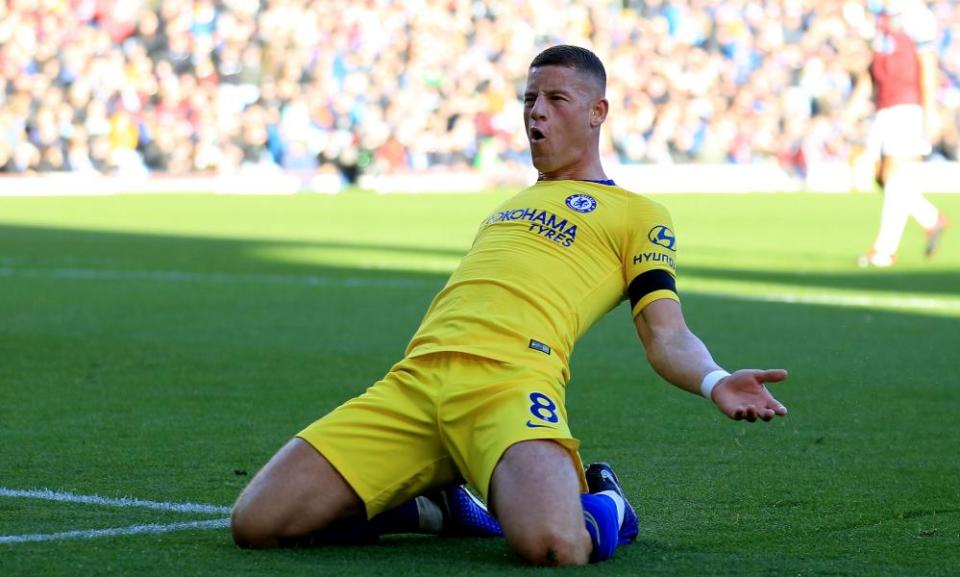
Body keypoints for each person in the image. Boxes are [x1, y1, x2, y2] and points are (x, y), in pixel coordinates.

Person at [230, 45, 789, 566]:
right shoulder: (507, 206)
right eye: (529, 99)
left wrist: (716, 380)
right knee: (256, 523)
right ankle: (433, 508)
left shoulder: (637, 213)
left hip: (511, 383)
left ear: (598, 112)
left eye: (555, 99)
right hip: (416, 381)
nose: (535, 113)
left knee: (553, 545)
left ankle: (608, 504)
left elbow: (665, 334)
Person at [856, 0, 950, 268]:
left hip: (908, 104)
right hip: (884, 104)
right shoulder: (881, 15)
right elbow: (873, 66)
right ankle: (931, 219)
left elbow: (927, 64)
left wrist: (929, 111)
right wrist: (859, 100)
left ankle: (884, 251)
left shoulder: (916, 16)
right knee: (881, 176)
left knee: (897, 175)